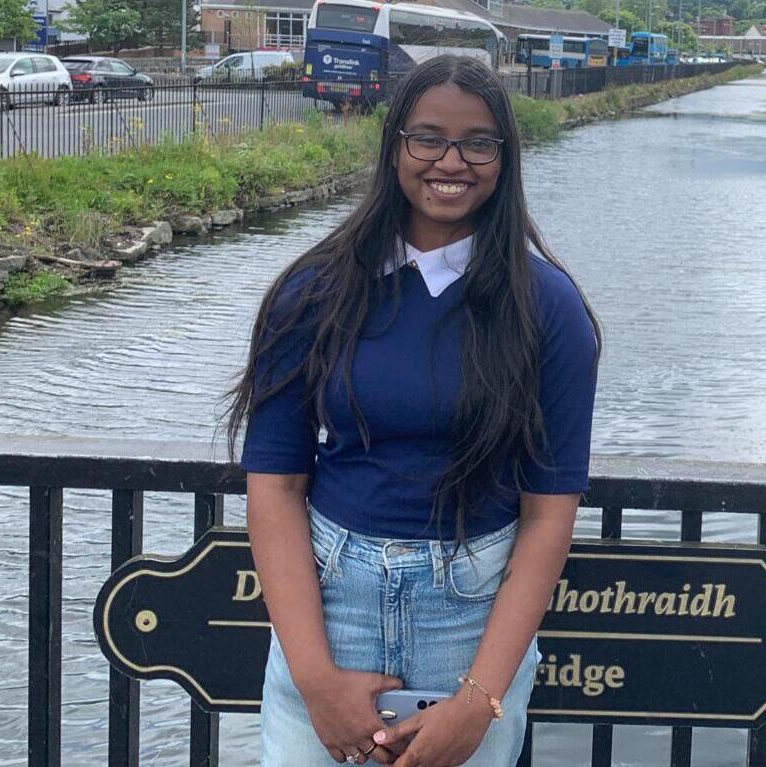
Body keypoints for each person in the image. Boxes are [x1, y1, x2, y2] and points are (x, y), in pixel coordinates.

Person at [226, 54, 601, 766]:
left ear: (505, 158)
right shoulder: (313, 292)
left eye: (478, 143)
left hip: (470, 626)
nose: (450, 161)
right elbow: (275, 486)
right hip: (329, 616)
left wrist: (478, 700)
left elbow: (548, 514)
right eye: (428, 137)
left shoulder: (547, 310)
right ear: (394, 145)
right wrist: (316, 681)